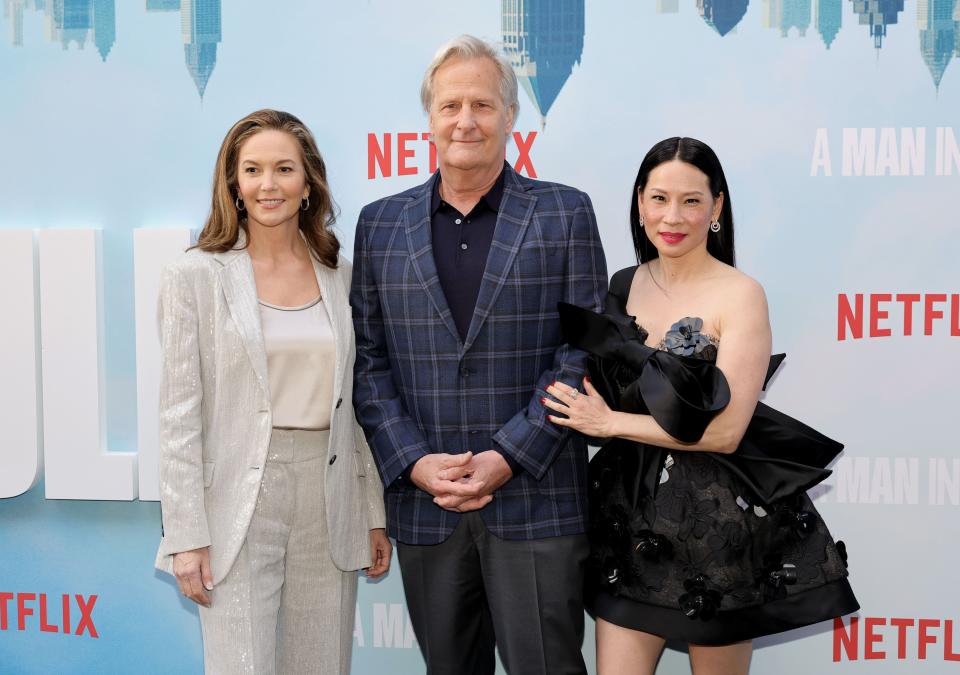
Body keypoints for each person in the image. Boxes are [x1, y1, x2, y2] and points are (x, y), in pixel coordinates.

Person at [545, 137, 858, 675]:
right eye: (659, 198)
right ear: (640, 202)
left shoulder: (740, 294)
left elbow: (727, 432)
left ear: (716, 208)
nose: (673, 216)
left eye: (692, 201)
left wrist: (610, 422)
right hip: (629, 521)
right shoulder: (621, 285)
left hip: (716, 533)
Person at [351, 35, 607, 675]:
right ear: (430, 117)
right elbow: (368, 362)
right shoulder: (379, 225)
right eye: (450, 105)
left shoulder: (564, 213)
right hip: (427, 508)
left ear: (510, 116)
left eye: (483, 105)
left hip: (537, 501)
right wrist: (412, 462)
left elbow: (582, 354)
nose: (465, 120)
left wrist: (508, 456)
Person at [154, 109, 390, 675]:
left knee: (322, 666)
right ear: (233, 184)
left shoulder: (343, 275)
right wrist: (187, 536)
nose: (268, 184)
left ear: (308, 184)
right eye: (253, 169)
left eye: (284, 169)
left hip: (328, 496)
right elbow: (179, 416)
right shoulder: (195, 277)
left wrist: (373, 512)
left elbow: (358, 406)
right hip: (236, 500)